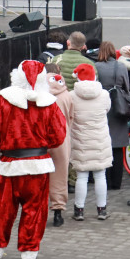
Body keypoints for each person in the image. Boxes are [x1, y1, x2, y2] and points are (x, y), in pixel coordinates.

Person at [0, 60, 67, 259]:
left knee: (3, 211)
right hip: (38, 166)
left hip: (10, 164)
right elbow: (58, 136)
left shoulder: (4, 100)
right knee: (35, 211)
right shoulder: (49, 102)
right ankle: (29, 250)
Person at [68, 63, 112, 221]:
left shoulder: (72, 95)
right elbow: (107, 110)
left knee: (81, 176)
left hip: (80, 140)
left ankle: (79, 210)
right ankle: (102, 209)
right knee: (101, 175)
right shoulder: (104, 94)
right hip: (100, 140)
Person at [94, 41, 130, 191]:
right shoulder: (120, 66)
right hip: (118, 107)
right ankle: (116, 182)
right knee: (117, 146)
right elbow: (126, 87)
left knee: (103, 146)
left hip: (101, 107)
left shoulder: (96, 67)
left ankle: (105, 180)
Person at [45, 66, 72, 226]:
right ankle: (58, 211)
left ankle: (37, 210)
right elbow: (71, 117)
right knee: (60, 175)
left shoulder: (37, 93)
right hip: (61, 139)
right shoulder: (66, 95)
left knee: (40, 176)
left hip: (41, 138)